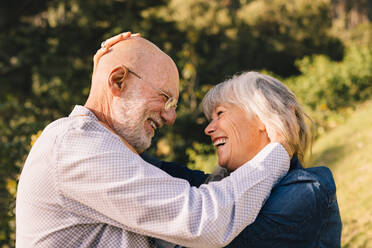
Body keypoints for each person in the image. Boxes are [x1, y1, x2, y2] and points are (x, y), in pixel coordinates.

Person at [16, 32, 291, 248]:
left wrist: (104, 73)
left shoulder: (95, 144)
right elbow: (203, 220)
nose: (170, 117)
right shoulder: (75, 145)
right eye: (165, 98)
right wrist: (279, 149)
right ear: (119, 81)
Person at [151, 71, 342, 247]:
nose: (208, 129)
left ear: (263, 116)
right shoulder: (224, 187)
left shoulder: (307, 189)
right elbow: (146, 168)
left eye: (220, 113)